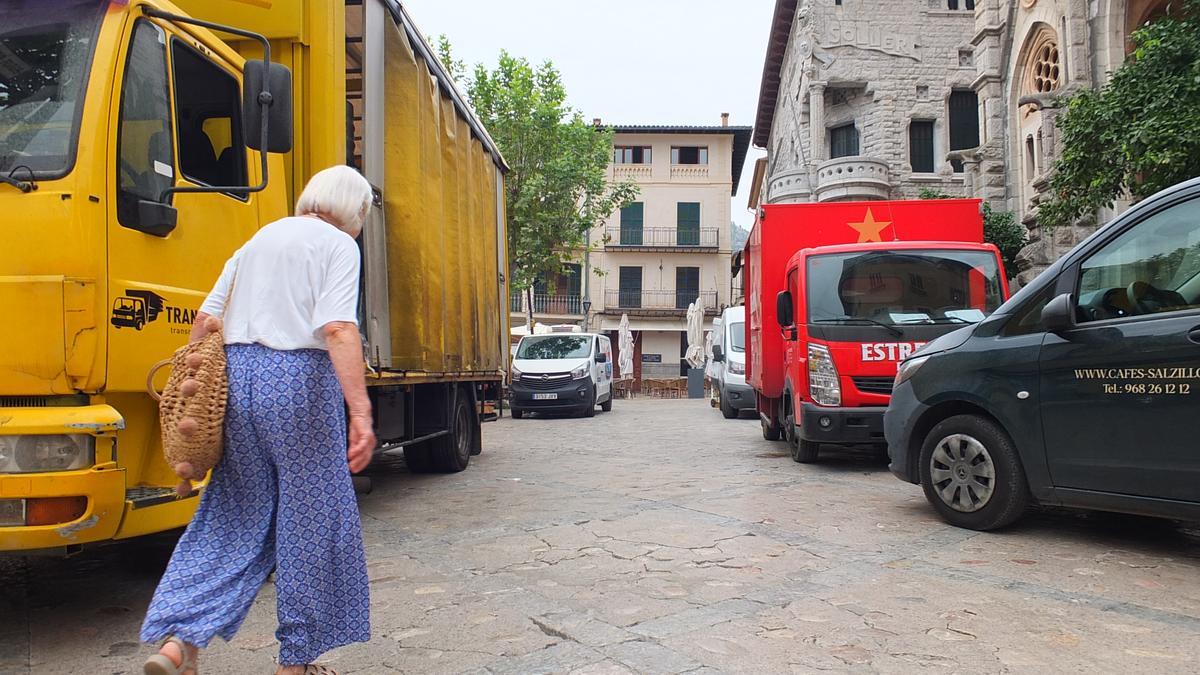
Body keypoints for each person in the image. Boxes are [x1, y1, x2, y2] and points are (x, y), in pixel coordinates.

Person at [140, 165, 377, 675]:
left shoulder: (258, 239)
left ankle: (180, 641)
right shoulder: (338, 246)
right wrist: (360, 411)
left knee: (231, 515)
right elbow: (337, 328)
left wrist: (197, 396)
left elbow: (205, 321)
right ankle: (296, 663)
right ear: (354, 210)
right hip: (299, 382)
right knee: (312, 521)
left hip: (238, 379)